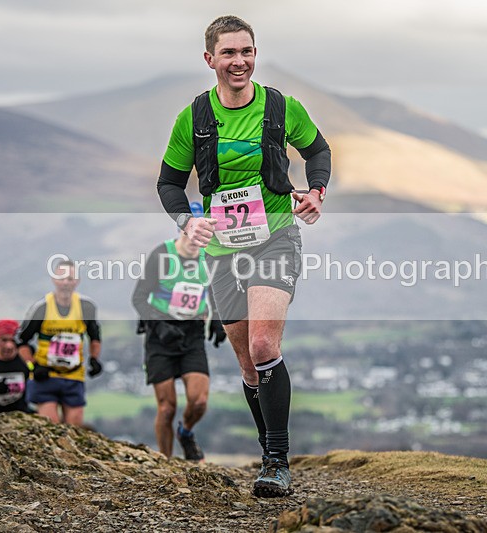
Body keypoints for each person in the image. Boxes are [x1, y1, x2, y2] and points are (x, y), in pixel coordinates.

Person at [156, 15, 331, 497]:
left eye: (247, 51)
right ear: (210, 60)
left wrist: (315, 190)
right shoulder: (193, 118)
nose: (240, 61)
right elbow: (169, 183)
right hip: (222, 250)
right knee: (248, 364)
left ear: (256, 55)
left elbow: (318, 151)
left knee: (262, 346)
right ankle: (267, 450)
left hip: (275, 235)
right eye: (229, 53)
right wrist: (187, 221)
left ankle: (276, 462)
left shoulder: (281, 107)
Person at [131, 209, 228, 461]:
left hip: (192, 334)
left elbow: (216, 292)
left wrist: (217, 320)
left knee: (199, 402)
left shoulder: (211, 258)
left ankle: (185, 432)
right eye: (197, 228)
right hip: (160, 335)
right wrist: (160, 325)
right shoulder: (162, 254)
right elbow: (139, 297)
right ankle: (166, 462)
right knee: (166, 408)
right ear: (184, 228)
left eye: (207, 230)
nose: (201, 235)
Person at [17, 259, 103, 426]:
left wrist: (94, 359)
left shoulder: (86, 307)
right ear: (54, 279)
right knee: (52, 428)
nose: (65, 283)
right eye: (61, 278)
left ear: (77, 281)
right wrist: (33, 366)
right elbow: (21, 342)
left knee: (75, 429)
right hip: (46, 376)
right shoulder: (41, 308)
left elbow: (95, 337)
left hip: (74, 374)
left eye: (70, 279)